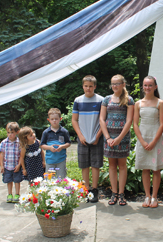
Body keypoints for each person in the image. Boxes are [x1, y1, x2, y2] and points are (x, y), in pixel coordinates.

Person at [100, 74, 134, 206]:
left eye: (117, 83)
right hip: (109, 139)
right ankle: (113, 194)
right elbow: (102, 119)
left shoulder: (129, 100)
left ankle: (121, 194)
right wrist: (108, 137)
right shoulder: (106, 99)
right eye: (113, 84)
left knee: (122, 166)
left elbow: (129, 120)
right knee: (112, 166)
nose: (114, 86)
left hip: (123, 139)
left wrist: (119, 138)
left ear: (123, 84)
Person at [133, 76, 163, 208]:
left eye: (150, 85)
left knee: (156, 169)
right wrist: (141, 141)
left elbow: (162, 124)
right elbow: (135, 124)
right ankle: (147, 196)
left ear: (155, 87)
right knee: (145, 168)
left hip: (156, 139)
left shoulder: (160, 103)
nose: (147, 88)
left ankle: (154, 197)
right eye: (145, 85)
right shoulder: (138, 104)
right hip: (143, 138)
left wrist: (154, 141)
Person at [72, 75, 105, 203]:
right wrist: (80, 136)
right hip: (83, 138)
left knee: (95, 165)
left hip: (97, 138)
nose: (88, 88)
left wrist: (98, 136)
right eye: (86, 86)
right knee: (84, 165)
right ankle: (86, 189)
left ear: (95, 87)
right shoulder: (78, 101)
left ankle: (95, 190)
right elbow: (74, 120)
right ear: (83, 86)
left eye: (91, 86)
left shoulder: (101, 100)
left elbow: (103, 120)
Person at [40, 108, 71, 179]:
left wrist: (62, 146)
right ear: (49, 120)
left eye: (56, 119)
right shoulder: (46, 132)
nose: (54, 120)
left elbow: (68, 143)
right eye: (52, 119)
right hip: (50, 160)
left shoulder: (64, 131)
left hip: (61, 160)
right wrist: (50, 148)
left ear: (60, 119)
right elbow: (42, 145)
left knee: (61, 179)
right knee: (50, 180)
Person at [0, 122, 22, 203]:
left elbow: (22, 155)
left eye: (12, 132)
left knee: (17, 180)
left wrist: (19, 165)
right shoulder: (4, 142)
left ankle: (17, 194)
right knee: (9, 180)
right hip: (7, 166)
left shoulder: (19, 142)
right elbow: (1, 154)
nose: (10, 134)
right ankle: (9, 194)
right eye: (8, 132)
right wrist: (2, 166)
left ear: (17, 132)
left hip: (16, 166)